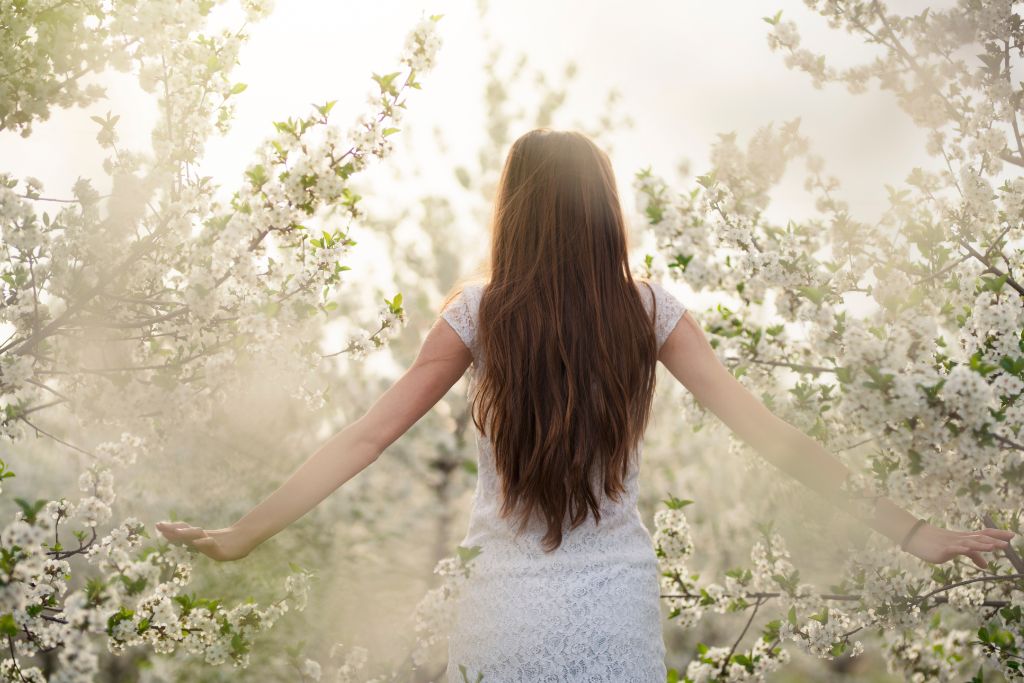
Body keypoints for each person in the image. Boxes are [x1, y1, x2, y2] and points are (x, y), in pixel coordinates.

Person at [157, 128, 1015, 681]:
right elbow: (772, 435)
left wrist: (246, 532)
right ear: (604, 209)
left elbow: (366, 436)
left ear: (516, 210)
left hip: (500, 609)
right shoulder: (648, 312)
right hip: (615, 607)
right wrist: (909, 530)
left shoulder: (480, 313)